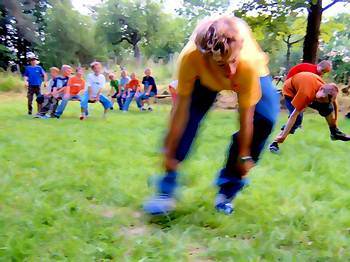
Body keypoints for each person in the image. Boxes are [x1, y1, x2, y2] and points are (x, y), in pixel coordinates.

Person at [143, 15, 280, 215]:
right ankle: (166, 188)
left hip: (251, 71)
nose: (230, 70)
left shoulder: (246, 64)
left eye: (233, 60)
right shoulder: (191, 58)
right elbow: (180, 111)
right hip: (204, 76)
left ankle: (228, 189)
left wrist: (244, 155)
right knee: (186, 121)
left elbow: (245, 117)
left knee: (265, 119)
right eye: (223, 65)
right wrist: (169, 151)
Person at [269, 72, 350, 153]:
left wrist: (334, 126)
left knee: (327, 108)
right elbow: (293, 116)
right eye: (320, 98)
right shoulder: (306, 94)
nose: (319, 101)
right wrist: (283, 135)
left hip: (306, 85)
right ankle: (274, 143)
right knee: (297, 119)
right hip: (290, 92)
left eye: (322, 99)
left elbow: (334, 105)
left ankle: (334, 133)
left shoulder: (328, 89)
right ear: (320, 90)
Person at [280, 60, 333, 133]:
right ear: (319, 66)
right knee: (297, 116)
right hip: (291, 90)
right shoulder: (311, 72)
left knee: (298, 116)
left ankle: (290, 128)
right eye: (323, 71)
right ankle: (287, 130)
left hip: (298, 90)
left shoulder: (316, 73)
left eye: (325, 73)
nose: (322, 74)